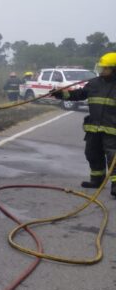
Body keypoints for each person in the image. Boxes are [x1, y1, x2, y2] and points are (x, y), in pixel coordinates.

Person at [53, 52, 116, 196]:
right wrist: (61, 94)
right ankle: (96, 179)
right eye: (101, 68)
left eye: (105, 68)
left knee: (113, 158)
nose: (102, 71)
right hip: (94, 128)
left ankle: (115, 186)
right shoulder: (94, 83)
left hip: (112, 130)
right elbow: (79, 94)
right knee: (92, 153)